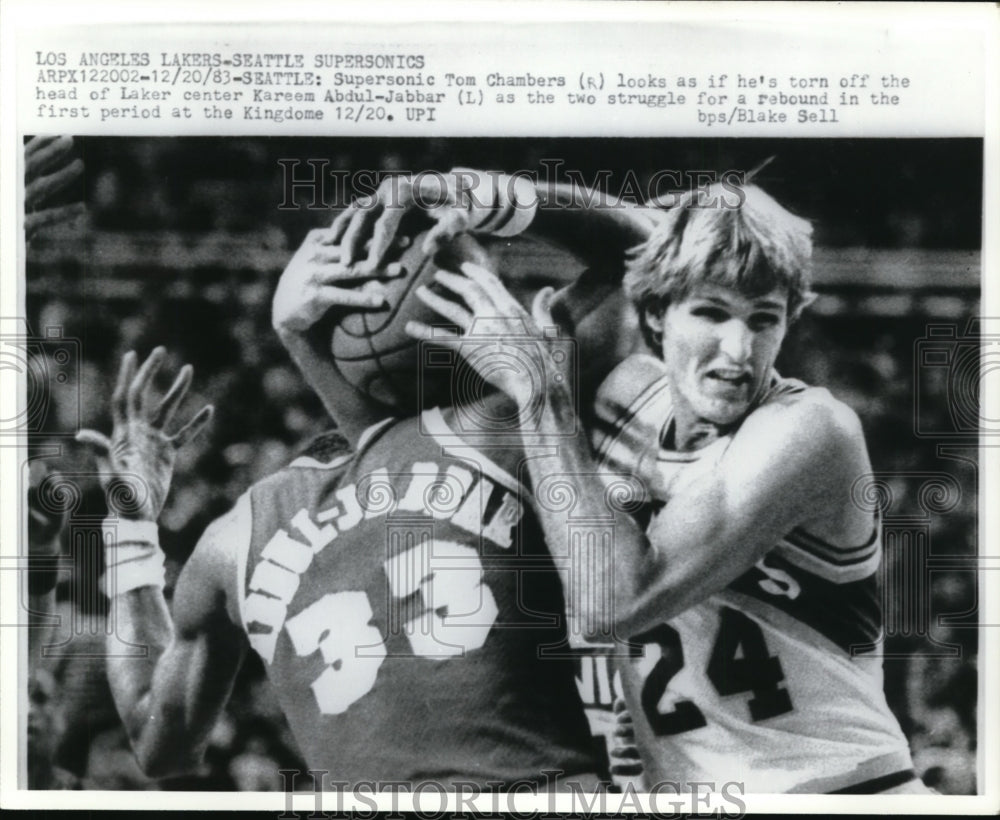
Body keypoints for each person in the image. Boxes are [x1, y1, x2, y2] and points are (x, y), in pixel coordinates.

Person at [72, 172, 653, 789]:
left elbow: (157, 739)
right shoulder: (510, 414)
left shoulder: (237, 536)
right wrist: (490, 198)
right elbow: (647, 255)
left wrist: (129, 531)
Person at [388, 177, 926, 794]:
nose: (739, 349)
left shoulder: (811, 430)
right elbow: (639, 241)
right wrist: (484, 198)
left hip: (844, 794)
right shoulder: (625, 388)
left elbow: (612, 603)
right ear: (654, 315)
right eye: (711, 313)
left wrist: (541, 395)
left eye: (764, 320)